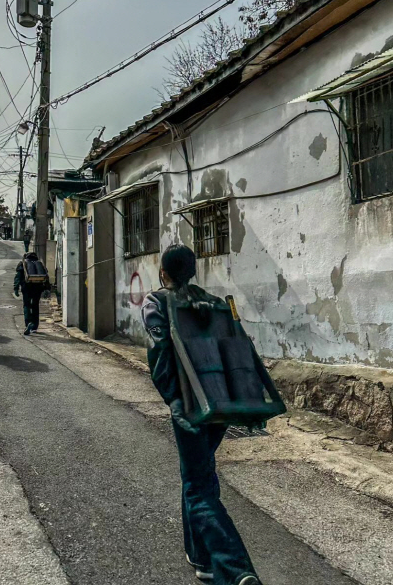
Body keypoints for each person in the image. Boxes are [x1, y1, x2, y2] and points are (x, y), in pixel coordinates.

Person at [141, 245, 261, 585]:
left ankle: (237, 570)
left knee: (198, 487)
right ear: (192, 272)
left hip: (190, 405)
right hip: (221, 403)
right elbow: (237, 350)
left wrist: (174, 402)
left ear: (163, 272)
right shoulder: (215, 303)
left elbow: (161, 355)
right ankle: (201, 558)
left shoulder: (157, 302)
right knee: (199, 472)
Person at [14, 252, 47, 336]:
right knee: (35, 305)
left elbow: (18, 276)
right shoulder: (40, 263)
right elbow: (46, 276)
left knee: (27, 305)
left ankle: (28, 323)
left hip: (26, 287)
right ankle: (35, 326)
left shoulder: (23, 263)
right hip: (38, 287)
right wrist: (47, 289)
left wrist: (16, 288)